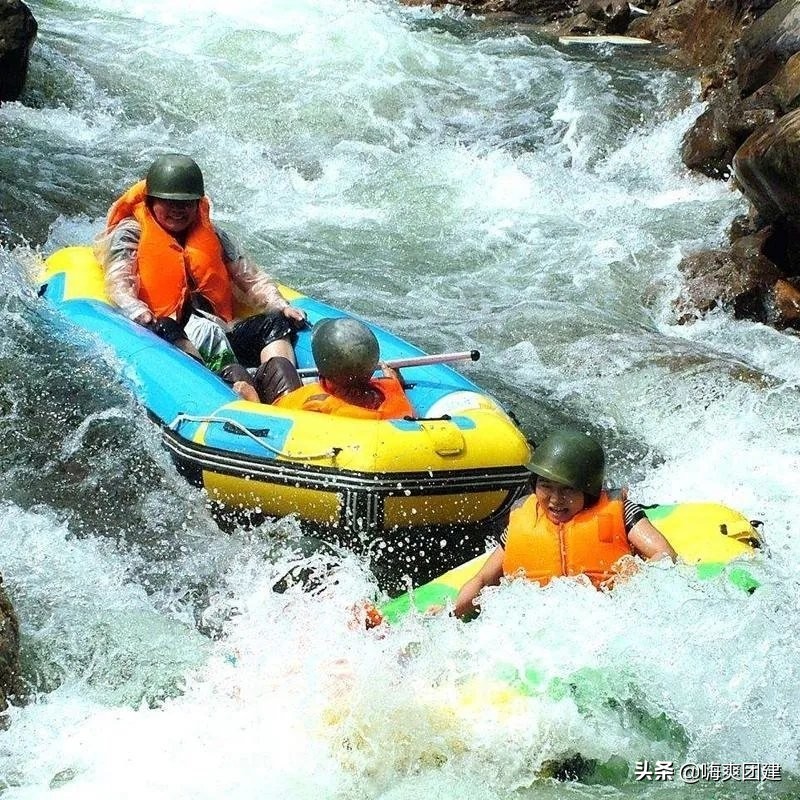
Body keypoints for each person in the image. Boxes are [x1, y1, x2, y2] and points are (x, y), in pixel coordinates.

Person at [95, 153, 306, 401]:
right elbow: (119, 279)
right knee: (164, 328)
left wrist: (281, 306)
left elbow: (250, 277)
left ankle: (285, 392)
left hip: (219, 328)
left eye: (186, 203)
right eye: (169, 202)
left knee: (275, 323)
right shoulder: (131, 233)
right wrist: (136, 310)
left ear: (198, 203)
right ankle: (224, 387)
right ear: (151, 202)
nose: (178, 210)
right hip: (174, 330)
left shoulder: (213, 235)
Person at [451, 428, 677, 619]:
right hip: (542, 623)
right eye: (545, 486)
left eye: (568, 489)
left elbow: (664, 554)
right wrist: (450, 613)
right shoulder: (523, 522)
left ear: (588, 491)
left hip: (608, 616)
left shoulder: (619, 512)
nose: (555, 499)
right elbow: (482, 579)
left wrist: (631, 580)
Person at [257, 318, 414, 419]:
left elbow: (271, 426)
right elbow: (390, 384)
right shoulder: (392, 387)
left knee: (278, 365)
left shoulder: (315, 409)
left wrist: (252, 399)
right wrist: (395, 380)